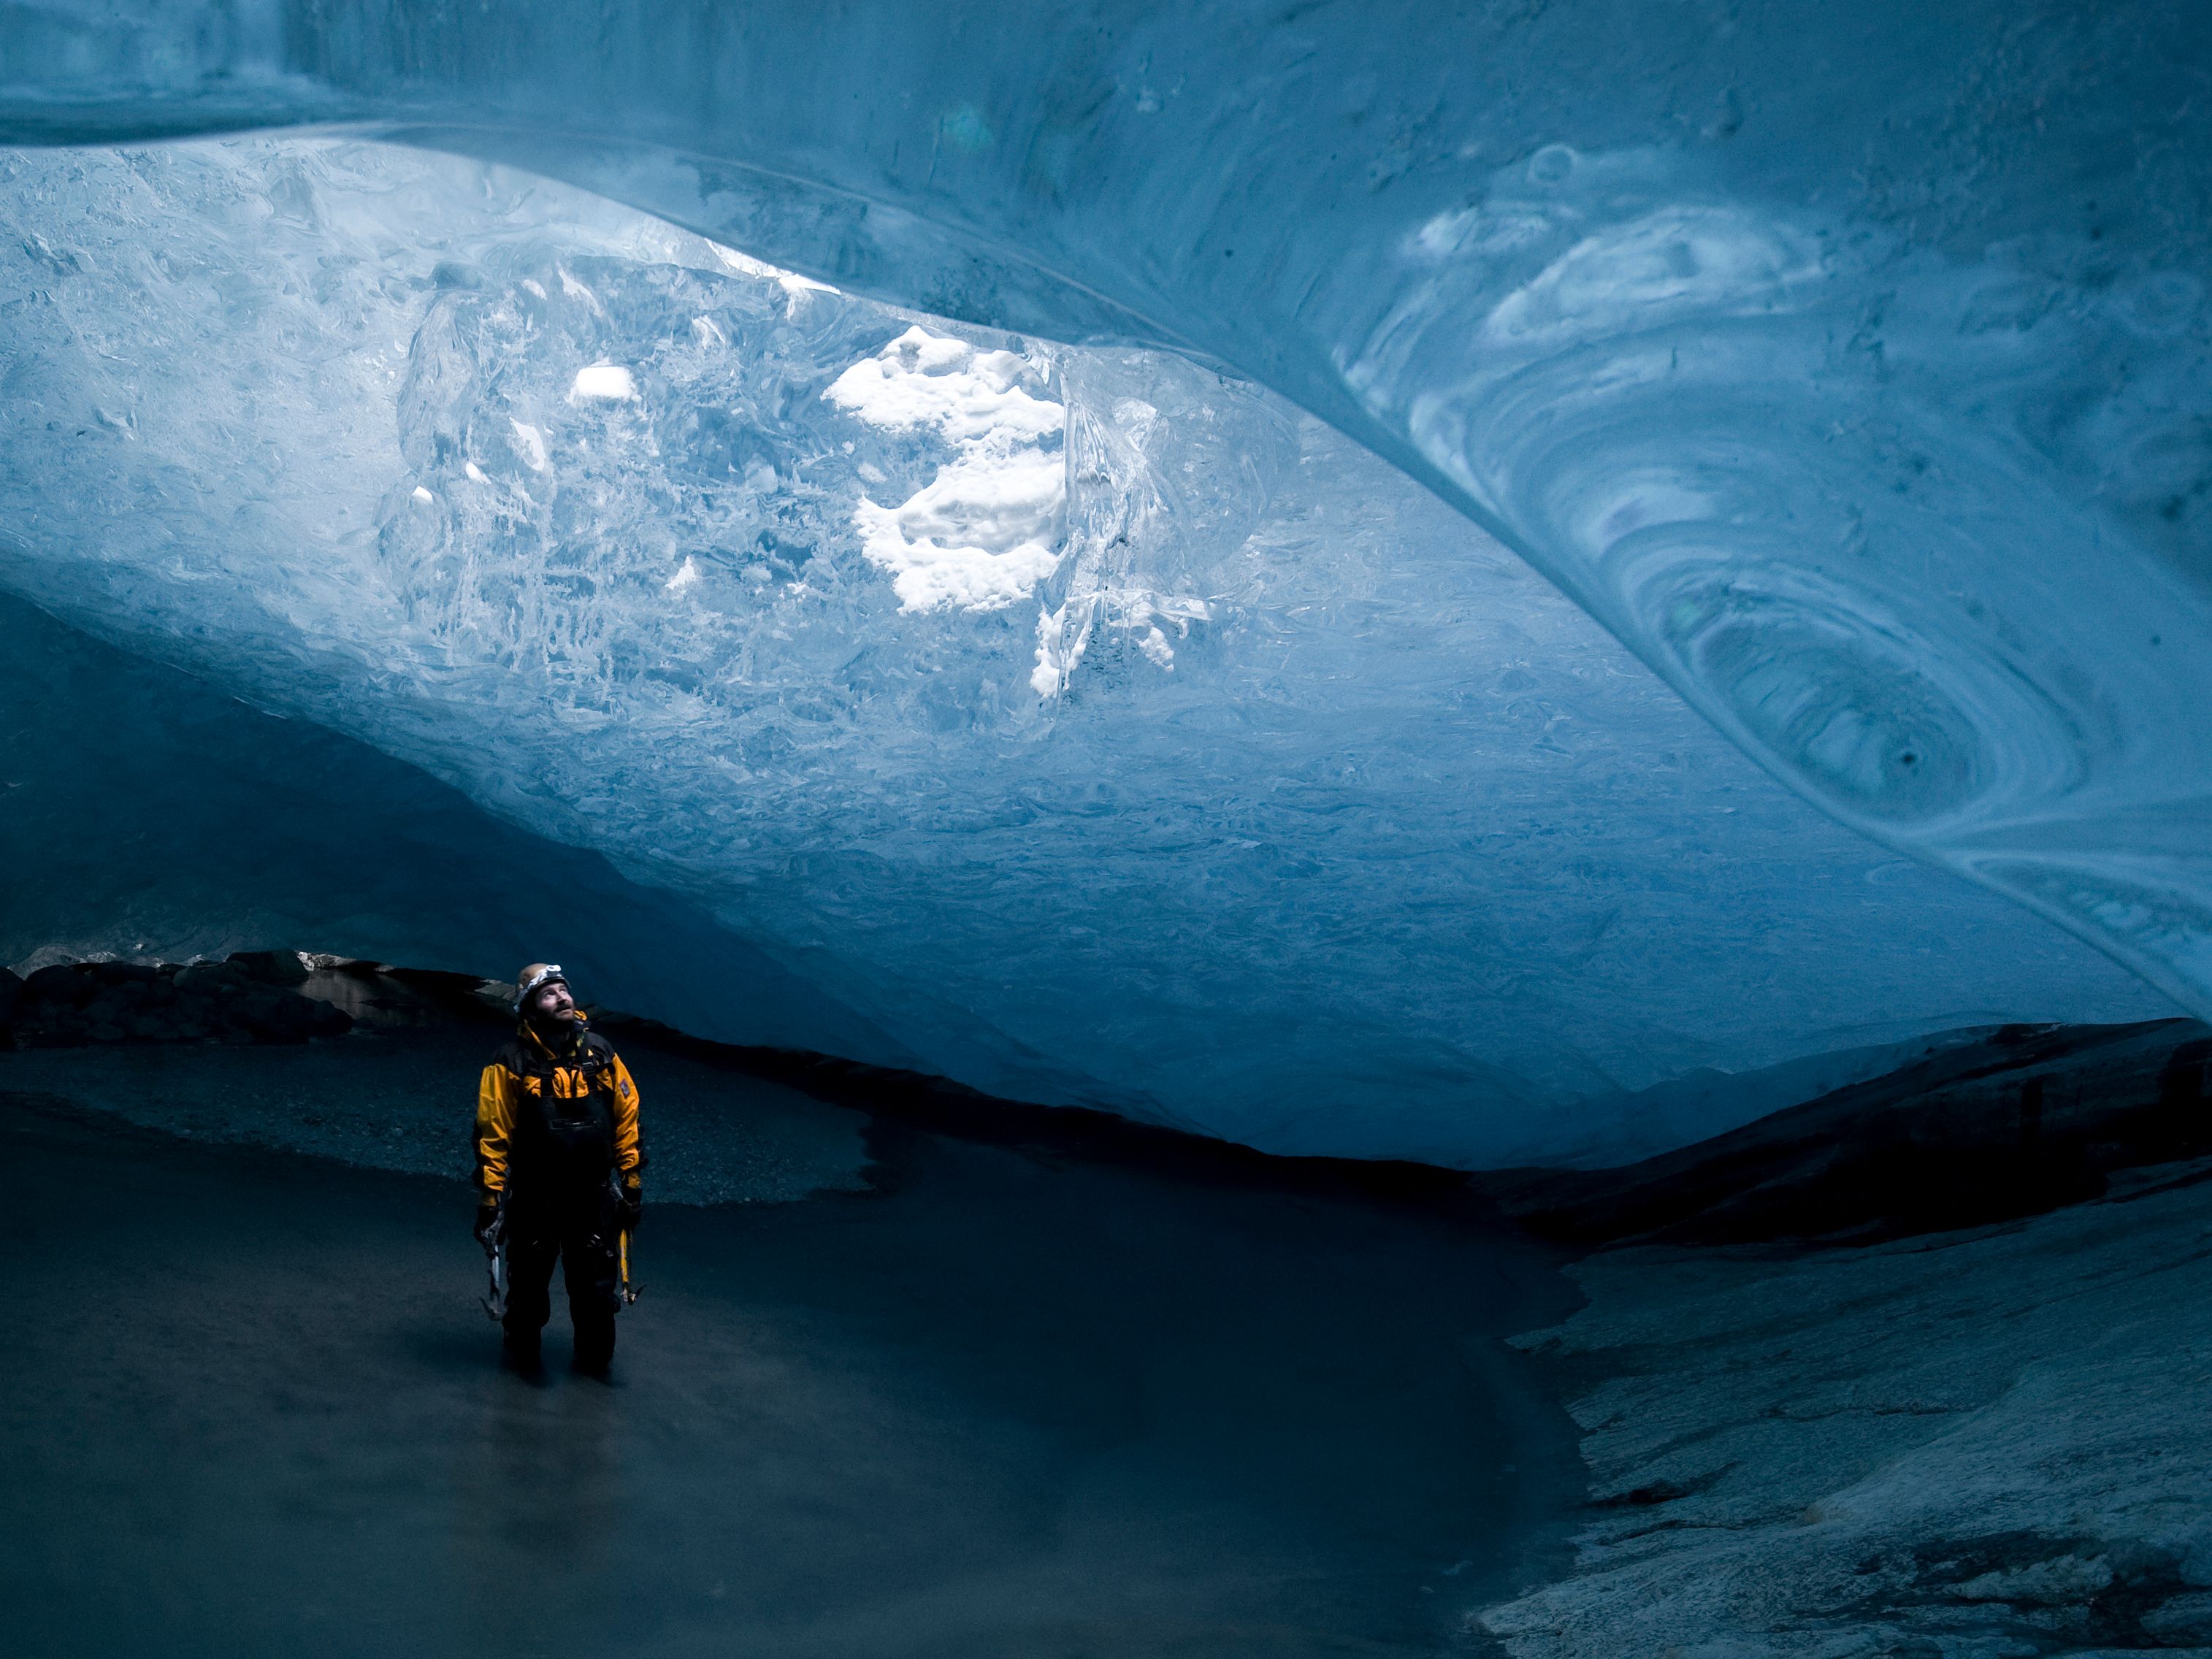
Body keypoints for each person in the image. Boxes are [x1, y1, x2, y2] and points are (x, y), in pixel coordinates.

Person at [473, 963, 644, 1373]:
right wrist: (490, 1202)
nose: (563, 998)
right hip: (535, 1199)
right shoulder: (508, 1062)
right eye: (550, 993)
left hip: (593, 1198)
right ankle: (520, 1381)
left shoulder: (602, 1053)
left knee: (597, 1296)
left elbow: (628, 1119)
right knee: (528, 1295)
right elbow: (491, 1135)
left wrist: (632, 1185)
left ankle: (594, 1381)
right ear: (530, 1008)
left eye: (565, 990)